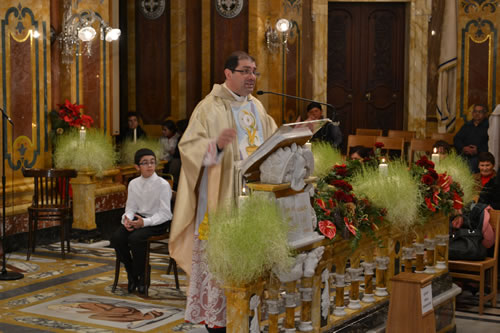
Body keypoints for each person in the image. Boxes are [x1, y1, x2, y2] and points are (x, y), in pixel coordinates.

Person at [169, 51, 277, 332]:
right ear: (228, 74)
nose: (252, 76)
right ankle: (218, 321)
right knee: (222, 255)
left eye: (255, 71)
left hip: (256, 196)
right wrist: (215, 145)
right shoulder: (209, 107)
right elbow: (188, 148)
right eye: (245, 71)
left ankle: (251, 311)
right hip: (221, 196)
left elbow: (273, 140)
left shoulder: (258, 107)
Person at [110, 148, 172, 294]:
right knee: (117, 237)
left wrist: (145, 222)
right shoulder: (133, 184)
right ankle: (132, 274)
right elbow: (130, 208)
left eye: (152, 162)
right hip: (138, 218)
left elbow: (165, 213)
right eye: (145, 163)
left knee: (136, 238)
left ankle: (142, 276)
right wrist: (127, 219)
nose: (150, 166)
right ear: (137, 167)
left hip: (157, 222)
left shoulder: (162, 185)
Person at [454, 104, 489, 172]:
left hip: (480, 156)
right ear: (472, 113)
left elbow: (492, 143)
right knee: (455, 163)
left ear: (485, 114)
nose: (477, 114)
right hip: (464, 154)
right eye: (475, 111)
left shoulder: (489, 127)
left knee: (472, 164)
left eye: (480, 112)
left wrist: (478, 150)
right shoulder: (466, 126)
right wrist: (463, 148)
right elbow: (456, 139)